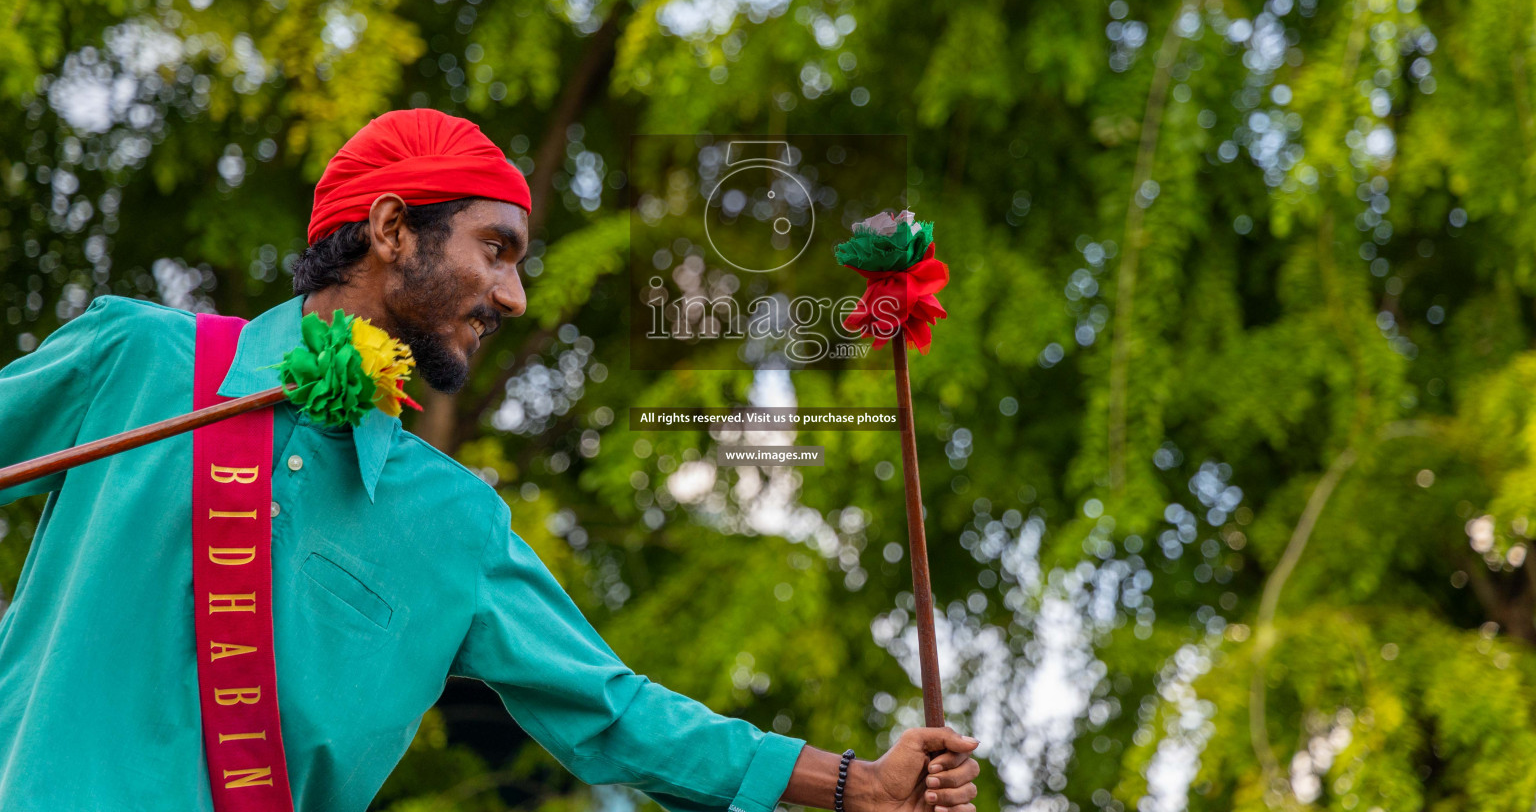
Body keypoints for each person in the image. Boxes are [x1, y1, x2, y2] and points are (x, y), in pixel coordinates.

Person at [0, 109, 982, 812]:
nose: (513, 297)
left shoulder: (457, 522)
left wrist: (859, 784)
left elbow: (617, 713)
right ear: (391, 230)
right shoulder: (140, 361)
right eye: (497, 249)